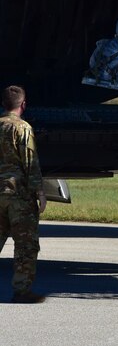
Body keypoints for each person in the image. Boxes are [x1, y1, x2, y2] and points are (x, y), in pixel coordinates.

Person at [0, 85, 46, 303]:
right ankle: (22, 290)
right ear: (23, 105)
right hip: (18, 194)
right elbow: (30, 161)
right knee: (25, 244)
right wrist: (40, 192)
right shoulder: (23, 128)